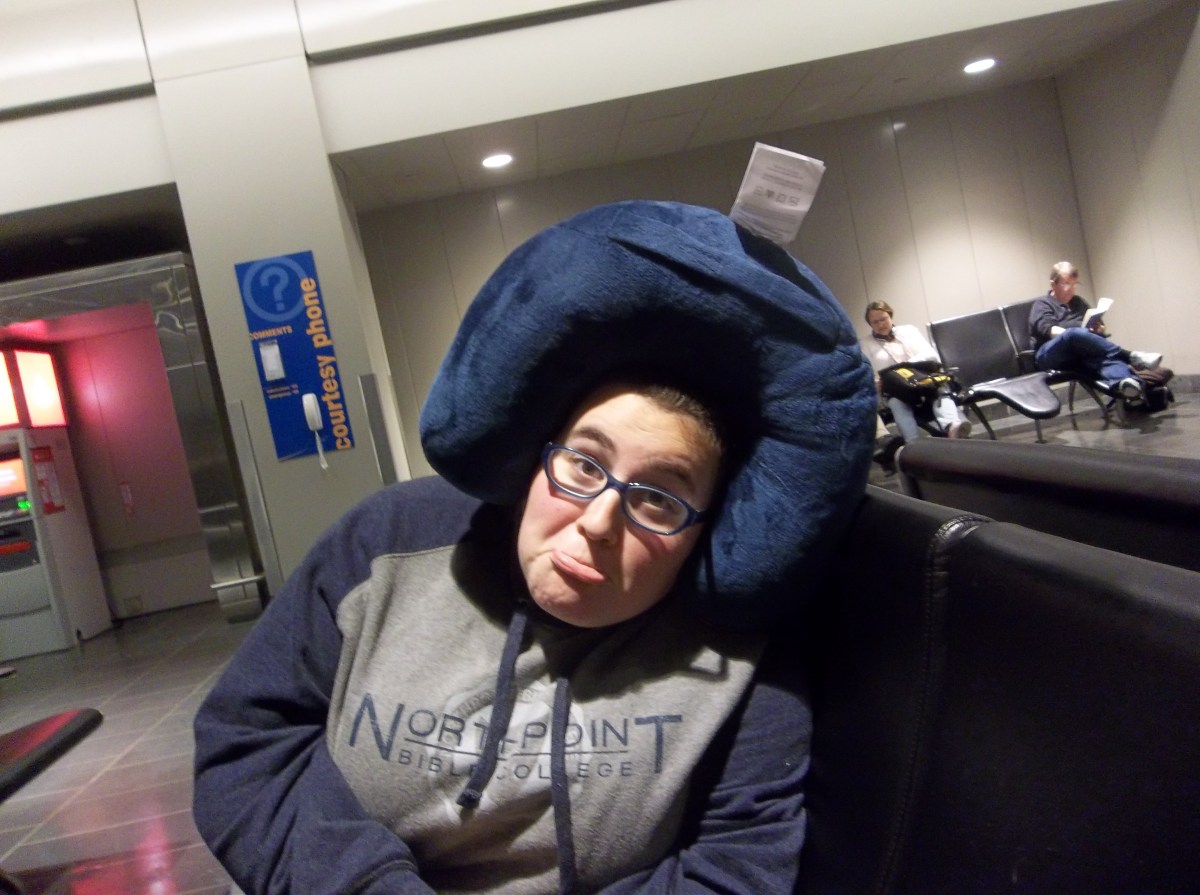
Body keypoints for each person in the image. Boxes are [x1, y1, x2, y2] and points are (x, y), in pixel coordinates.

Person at [192, 200, 877, 894]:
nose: (600, 521)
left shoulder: (744, 644)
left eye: (657, 498)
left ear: (708, 524)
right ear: (536, 461)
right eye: (583, 464)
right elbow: (249, 742)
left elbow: (738, 862)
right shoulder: (386, 539)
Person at [1028, 261, 1163, 402]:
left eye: (1074, 284)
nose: (1071, 289)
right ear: (1053, 284)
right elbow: (1050, 330)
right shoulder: (1042, 304)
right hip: (1049, 354)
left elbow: (1099, 326)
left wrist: (1098, 329)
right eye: (1066, 283)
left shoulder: (1078, 302)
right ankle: (1130, 356)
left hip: (1079, 353)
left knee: (1106, 359)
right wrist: (1079, 335)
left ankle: (1128, 385)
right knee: (1073, 334)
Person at [860, 300, 972, 445]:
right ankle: (913, 443)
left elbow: (931, 355)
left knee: (939, 388)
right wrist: (875, 384)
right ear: (869, 324)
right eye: (875, 322)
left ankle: (953, 427)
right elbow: (868, 374)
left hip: (922, 380)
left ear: (890, 316)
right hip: (895, 390)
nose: (881, 324)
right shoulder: (866, 344)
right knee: (897, 403)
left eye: (884, 319)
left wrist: (906, 366)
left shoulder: (908, 331)